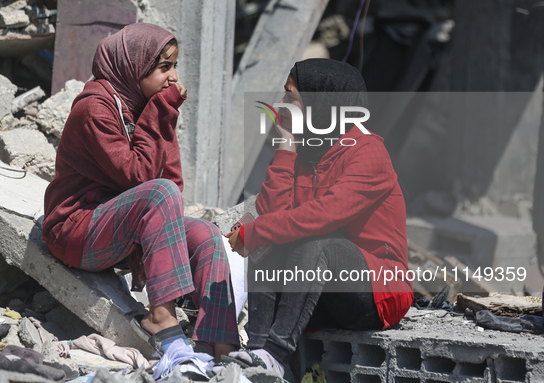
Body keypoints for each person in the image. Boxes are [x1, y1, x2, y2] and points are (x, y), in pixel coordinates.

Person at [42, 23, 239, 362]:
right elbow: (140, 175)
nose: (174, 78)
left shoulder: (140, 104)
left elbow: (170, 177)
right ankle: (161, 319)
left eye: (175, 67)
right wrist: (163, 111)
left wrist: (159, 242)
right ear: (134, 66)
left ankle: (220, 346)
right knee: (158, 194)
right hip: (75, 231)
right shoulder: (95, 109)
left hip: (116, 228)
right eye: (164, 67)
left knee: (206, 234)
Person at [225, 58, 413, 377]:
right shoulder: (306, 150)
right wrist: (286, 146)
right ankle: (257, 351)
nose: (280, 104)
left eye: (290, 97)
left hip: (376, 291)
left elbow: (322, 216)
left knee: (316, 240)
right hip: (317, 289)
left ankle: (275, 353)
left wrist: (254, 231)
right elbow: (275, 215)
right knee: (271, 237)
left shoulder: (368, 153)